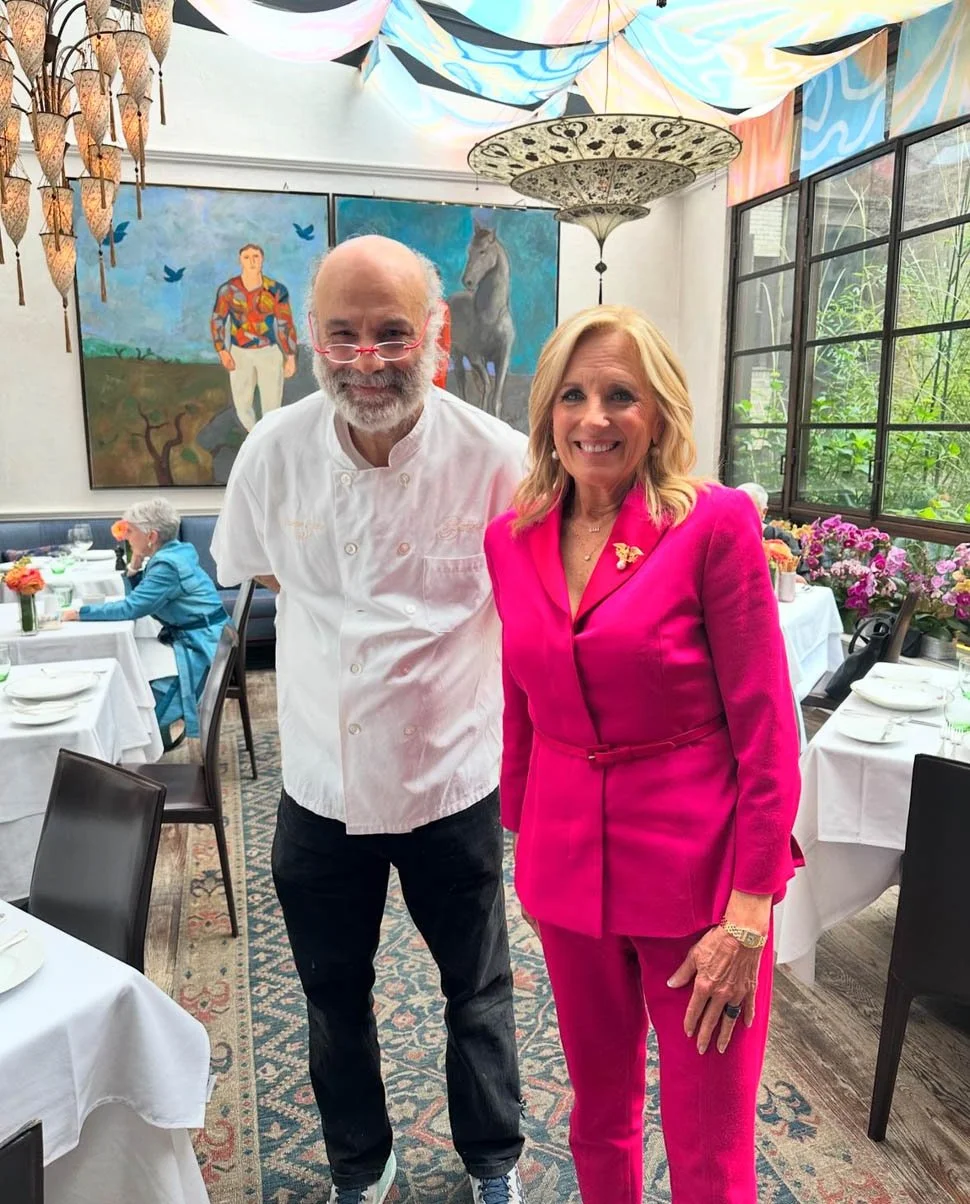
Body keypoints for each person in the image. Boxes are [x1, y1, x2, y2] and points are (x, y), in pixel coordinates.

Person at [211, 235, 528, 1204]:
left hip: (451, 776)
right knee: (332, 996)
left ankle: (492, 1162)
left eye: (391, 332)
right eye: (343, 334)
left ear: (434, 335)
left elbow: (534, 607)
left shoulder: (498, 459)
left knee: (475, 993)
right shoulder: (273, 452)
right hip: (319, 781)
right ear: (310, 338)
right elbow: (260, 568)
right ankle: (362, 1161)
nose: (366, 357)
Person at [483, 306, 801, 1204]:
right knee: (598, 1117)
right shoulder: (510, 540)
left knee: (706, 1147)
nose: (595, 419)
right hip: (567, 875)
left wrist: (749, 913)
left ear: (656, 411)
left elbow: (768, 728)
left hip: (700, 886)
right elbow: (520, 706)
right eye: (574, 396)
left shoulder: (713, 525)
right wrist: (522, 838)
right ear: (547, 412)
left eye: (620, 395)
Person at [63, 498, 228, 746]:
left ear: (151, 535)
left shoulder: (167, 565)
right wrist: (135, 565)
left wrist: (80, 613)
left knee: (140, 683)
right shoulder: (177, 551)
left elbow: (132, 608)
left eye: (130, 531)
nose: (125, 537)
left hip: (204, 644)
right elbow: (140, 600)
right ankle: (148, 739)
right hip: (207, 633)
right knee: (136, 662)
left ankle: (138, 741)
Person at [211, 243, 298, 431]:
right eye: (247, 257)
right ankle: (255, 439)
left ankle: (267, 443)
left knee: (272, 408)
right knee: (242, 406)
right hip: (239, 353)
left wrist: (290, 356)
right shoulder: (228, 290)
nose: (252, 261)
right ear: (240, 260)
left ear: (262, 260)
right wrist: (222, 351)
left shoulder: (276, 290)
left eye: (256, 256)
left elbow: (285, 323)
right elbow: (218, 320)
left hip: (269, 352)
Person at [737, 481, 802, 560]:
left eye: (748, 509)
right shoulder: (723, 535)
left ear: (764, 512)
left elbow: (795, 567)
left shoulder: (783, 539)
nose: (740, 513)